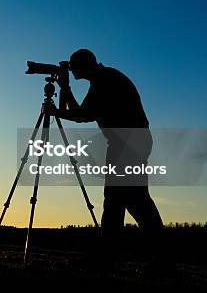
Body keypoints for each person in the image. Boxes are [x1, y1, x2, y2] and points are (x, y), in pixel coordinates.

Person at [45, 48, 163, 267]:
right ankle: (140, 257)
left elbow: (82, 115)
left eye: (73, 66)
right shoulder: (106, 77)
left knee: (125, 201)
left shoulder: (104, 81)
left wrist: (62, 98)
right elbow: (83, 113)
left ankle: (117, 257)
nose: (71, 70)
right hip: (131, 142)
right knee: (128, 201)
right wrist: (66, 90)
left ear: (82, 65)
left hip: (127, 143)